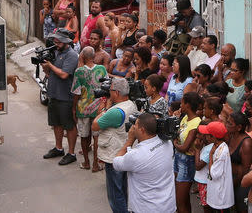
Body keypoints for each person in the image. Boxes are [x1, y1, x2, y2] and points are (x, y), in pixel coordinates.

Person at [91, 78, 138, 213]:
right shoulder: (131, 104)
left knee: (115, 193)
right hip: (124, 153)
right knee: (122, 188)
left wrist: (105, 108)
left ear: (116, 92)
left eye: (110, 90)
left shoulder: (115, 111)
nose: (108, 92)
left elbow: (95, 125)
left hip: (113, 156)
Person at [113, 113, 176, 213]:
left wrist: (129, 141)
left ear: (142, 130)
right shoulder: (167, 143)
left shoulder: (135, 156)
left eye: (135, 126)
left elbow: (116, 163)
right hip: (167, 206)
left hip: (145, 208)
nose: (133, 128)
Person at [42, 29, 79, 165]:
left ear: (65, 42)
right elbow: (48, 74)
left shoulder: (72, 55)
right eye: (55, 41)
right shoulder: (55, 52)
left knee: (69, 125)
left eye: (58, 41)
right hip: (53, 94)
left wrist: (50, 65)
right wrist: (45, 65)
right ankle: (58, 148)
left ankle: (71, 153)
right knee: (56, 123)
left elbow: (64, 74)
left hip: (66, 96)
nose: (55, 43)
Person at [71, 46, 107, 171]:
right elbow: (105, 88)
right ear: (94, 56)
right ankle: (96, 164)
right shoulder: (102, 69)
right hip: (98, 108)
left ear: (82, 57)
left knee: (84, 136)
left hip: (83, 108)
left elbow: (76, 93)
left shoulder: (79, 71)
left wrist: (74, 108)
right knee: (96, 137)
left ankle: (87, 162)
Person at [173, 91, 201, 213]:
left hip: (187, 162)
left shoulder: (196, 122)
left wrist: (175, 143)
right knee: (182, 200)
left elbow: (184, 147)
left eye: (182, 103)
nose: (180, 106)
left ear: (188, 105)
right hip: (178, 158)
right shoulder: (185, 117)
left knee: (180, 201)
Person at [199, 121, 235, 212]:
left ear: (213, 137)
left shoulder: (221, 151)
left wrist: (210, 155)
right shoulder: (217, 146)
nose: (205, 137)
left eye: (207, 134)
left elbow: (214, 174)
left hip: (220, 196)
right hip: (217, 192)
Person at [225, 112, 252, 213]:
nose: (226, 124)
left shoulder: (246, 143)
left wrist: (231, 184)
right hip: (230, 180)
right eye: (227, 122)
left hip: (240, 183)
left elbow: (246, 170)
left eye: (230, 123)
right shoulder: (231, 136)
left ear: (239, 127)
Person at [192, 119, 213, 213]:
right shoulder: (206, 145)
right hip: (203, 181)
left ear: (207, 135)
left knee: (207, 207)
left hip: (205, 182)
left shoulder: (209, 148)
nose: (197, 136)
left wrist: (197, 150)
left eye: (199, 134)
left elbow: (198, 166)